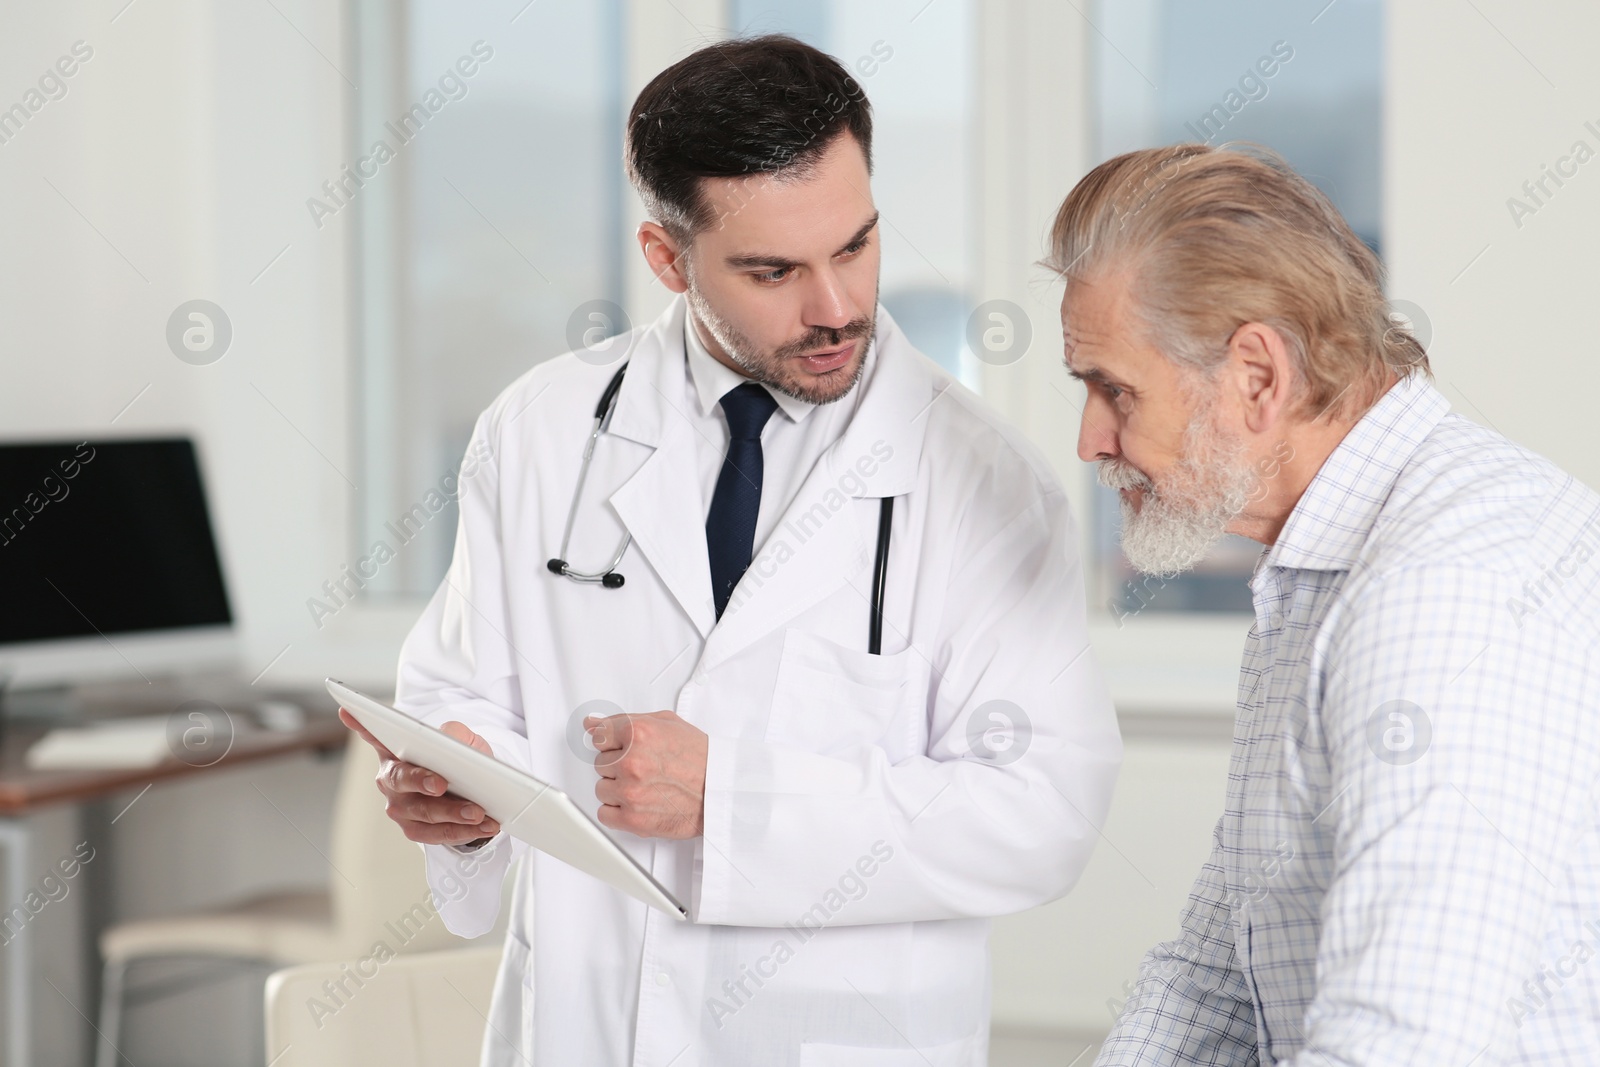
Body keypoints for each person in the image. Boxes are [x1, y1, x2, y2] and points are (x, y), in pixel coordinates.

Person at [340, 35, 1121, 1066]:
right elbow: (467, 695)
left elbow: (1039, 808)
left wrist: (732, 800)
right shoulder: (539, 429)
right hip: (587, 1027)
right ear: (667, 258)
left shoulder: (985, 479)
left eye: (855, 245)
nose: (835, 306)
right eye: (772, 270)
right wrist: (461, 794)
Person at [1047, 143, 1600, 1065]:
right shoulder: (1320, 566)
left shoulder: (1441, 590)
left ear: (1258, 376)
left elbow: (1406, 1043)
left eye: (1114, 389)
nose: (1090, 438)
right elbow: (1218, 973)